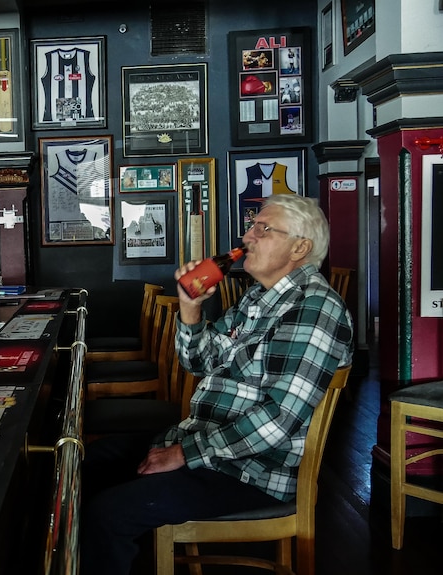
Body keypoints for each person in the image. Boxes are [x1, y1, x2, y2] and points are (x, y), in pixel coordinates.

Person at [80, 194, 354, 575]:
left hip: (252, 470)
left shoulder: (313, 308)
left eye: (263, 228)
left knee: (109, 513)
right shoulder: (257, 298)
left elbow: (277, 420)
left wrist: (185, 453)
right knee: (90, 463)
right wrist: (191, 310)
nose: (248, 236)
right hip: (210, 444)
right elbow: (198, 362)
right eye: (252, 225)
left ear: (300, 247)